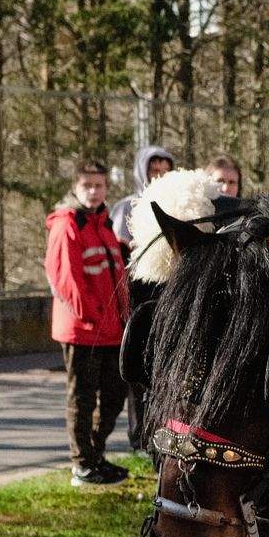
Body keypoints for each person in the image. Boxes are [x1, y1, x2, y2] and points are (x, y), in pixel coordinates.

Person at [44, 159, 130, 484]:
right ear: (75, 188)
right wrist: (92, 317)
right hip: (83, 330)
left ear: (107, 188)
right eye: (87, 186)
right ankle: (82, 464)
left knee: (113, 396)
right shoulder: (69, 224)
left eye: (99, 186)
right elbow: (66, 279)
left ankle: (95, 455)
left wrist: (120, 319)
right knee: (82, 398)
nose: (93, 192)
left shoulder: (105, 224)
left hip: (111, 330)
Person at [110, 146, 175, 451]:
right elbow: (120, 253)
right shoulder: (128, 206)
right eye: (154, 169)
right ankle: (139, 435)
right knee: (137, 368)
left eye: (164, 168)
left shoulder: (177, 203)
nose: (159, 174)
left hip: (168, 292)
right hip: (138, 292)